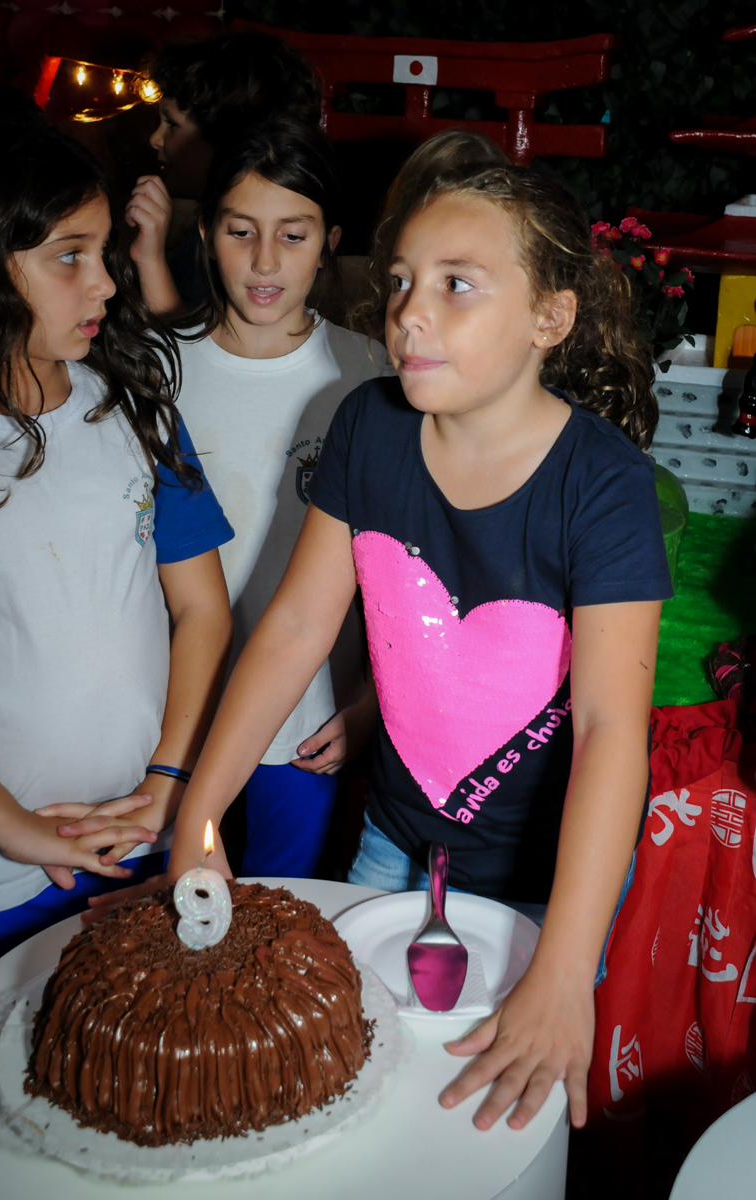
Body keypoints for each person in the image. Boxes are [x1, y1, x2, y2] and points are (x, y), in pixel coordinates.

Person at [94, 130, 672, 1132]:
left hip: (547, 878)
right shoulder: (366, 424)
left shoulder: (602, 485)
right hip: (394, 843)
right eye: (401, 279)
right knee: (365, 1091)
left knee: (493, 1116)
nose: (408, 312)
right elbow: (294, 629)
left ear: (550, 317)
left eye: (456, 285)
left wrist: (562, 966)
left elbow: (610, 729)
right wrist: (197, 815)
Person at [0, 120, 234, 994]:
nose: (106, 282)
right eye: (69, 256)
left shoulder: (135, 410)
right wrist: (18, 831)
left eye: (104, 250)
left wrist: (167, 783)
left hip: (142, 839)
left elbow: (202, 609)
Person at [168, 116, 390, 877]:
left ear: (330, 242)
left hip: (309, 721)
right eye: (241, 232)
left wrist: (370, 704)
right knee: (172, 911)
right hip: (171, 718)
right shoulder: (154, 374)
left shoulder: (371, 376)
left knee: (283, 914)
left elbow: (400, 564)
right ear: (205, 232)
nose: (265, 261)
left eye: (293, 236)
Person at [125, 31, 322, 314]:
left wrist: (150, 258)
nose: (155, 139)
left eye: (172, 124)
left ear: (228, 139)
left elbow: (191, 336)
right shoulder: (209, 221)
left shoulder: (238, 242)